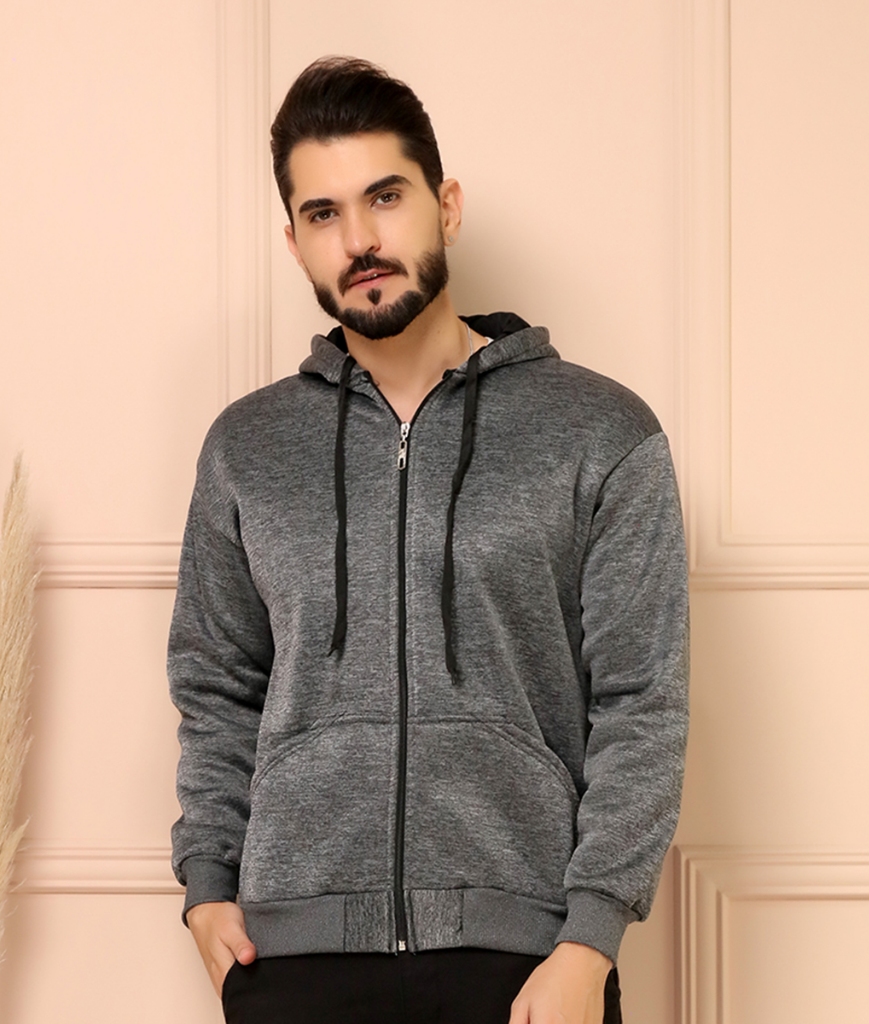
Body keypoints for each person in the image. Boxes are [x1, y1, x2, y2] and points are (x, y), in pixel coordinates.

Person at [169, 56, 688, 1024]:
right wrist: (206, 886)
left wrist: (589, 940)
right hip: (293, 960)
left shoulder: (601, 433)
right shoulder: (247, 448)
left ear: (445, 205)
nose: (360, 239)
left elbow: (641, 704)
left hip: (529, 962)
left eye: (385, 196)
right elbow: (216, 685)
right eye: (323, 214)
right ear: (295, 242)